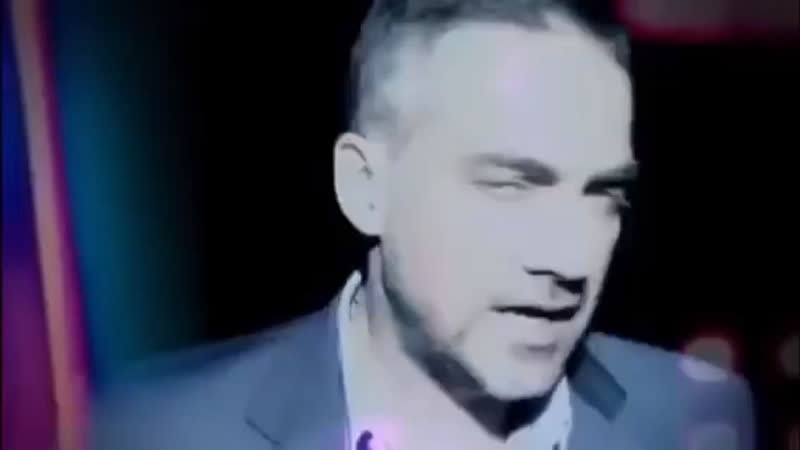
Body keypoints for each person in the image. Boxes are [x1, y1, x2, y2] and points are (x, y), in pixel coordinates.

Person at [90, 1, 755, 449]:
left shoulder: (696, 417)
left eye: (604, 195)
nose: (571, 258)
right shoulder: (144, 432)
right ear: (365, 189)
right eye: (510, 185)